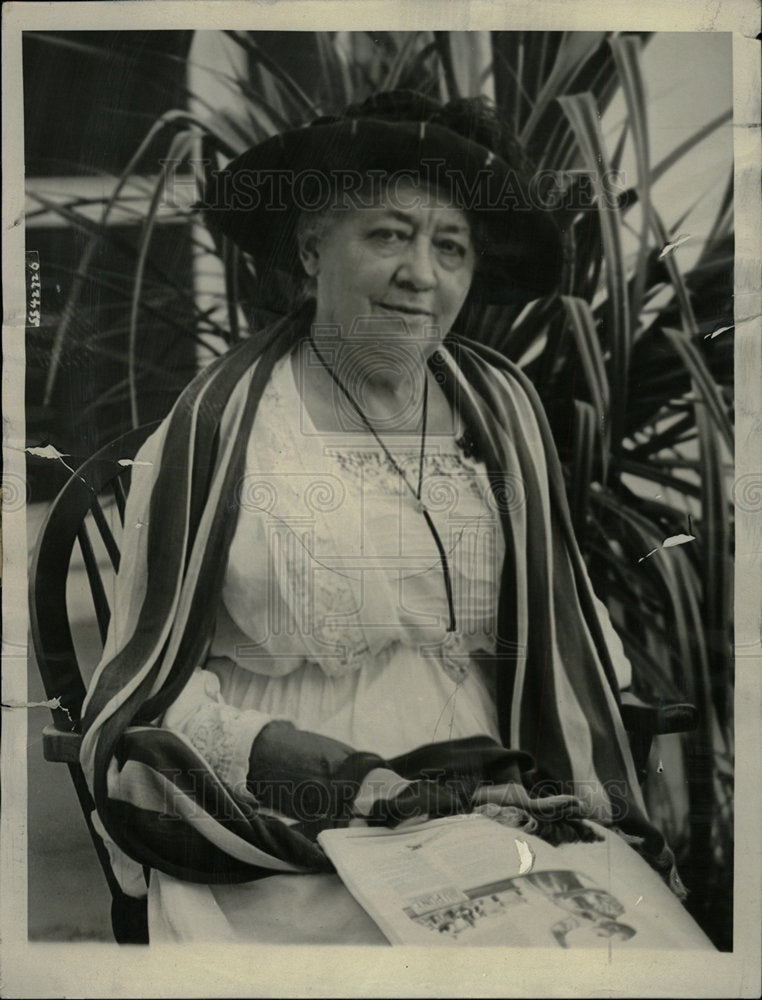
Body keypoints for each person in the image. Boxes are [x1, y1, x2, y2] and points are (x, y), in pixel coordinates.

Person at [79, 90, 713, 946]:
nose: (423, 273)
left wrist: (613, 757)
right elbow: (145, 698)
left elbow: (570, 630)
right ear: (311, 247)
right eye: (388, 235)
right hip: (287, 816)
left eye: (451, 247)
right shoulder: (219, 431)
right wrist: (333, 774)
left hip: (498, 789)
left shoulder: (503, 411)